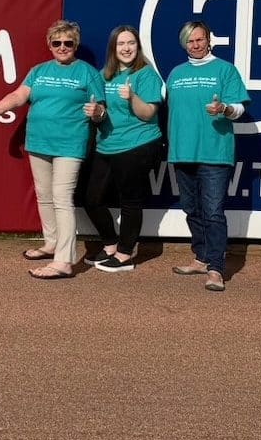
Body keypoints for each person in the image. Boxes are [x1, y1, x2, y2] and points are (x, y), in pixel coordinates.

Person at [0, 20, 105, 279]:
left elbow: (101, 110)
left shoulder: (87, 73)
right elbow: (19, 96)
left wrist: (98, 112)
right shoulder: (38, 71)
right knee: (45, 195)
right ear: (50, 45)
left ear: (75, 45)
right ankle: (51, 243)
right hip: (38, 142)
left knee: (62, 198)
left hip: (69, 144)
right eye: (57, 42)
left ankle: (64, 261)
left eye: (68, 43)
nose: (62, 47)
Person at [164, 20, 249, 292]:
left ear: (208, 40)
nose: (196, 44)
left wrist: (224, 108)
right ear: (184, 44)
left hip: (214, 153)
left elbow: (239, 109)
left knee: (213, 212)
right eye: (190, 41)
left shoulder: (225, 70)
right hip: (182, 152)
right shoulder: (175, 74)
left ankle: (215, 268)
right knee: (191, 209)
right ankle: (201, 257)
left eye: (200, 39)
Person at [82, 25, 165, 273]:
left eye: (131, 43)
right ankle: (109, 244)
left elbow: (149, 113)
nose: (126, 48)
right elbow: (101, 114)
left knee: (130, 201)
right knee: (91, 199)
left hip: (138, 144)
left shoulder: (146, 75)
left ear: (138, 47)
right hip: (107, 144)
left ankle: (125, 253)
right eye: (121, 44)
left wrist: (132, 98)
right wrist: (96, 114)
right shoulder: (104, 75)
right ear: (113, 48)